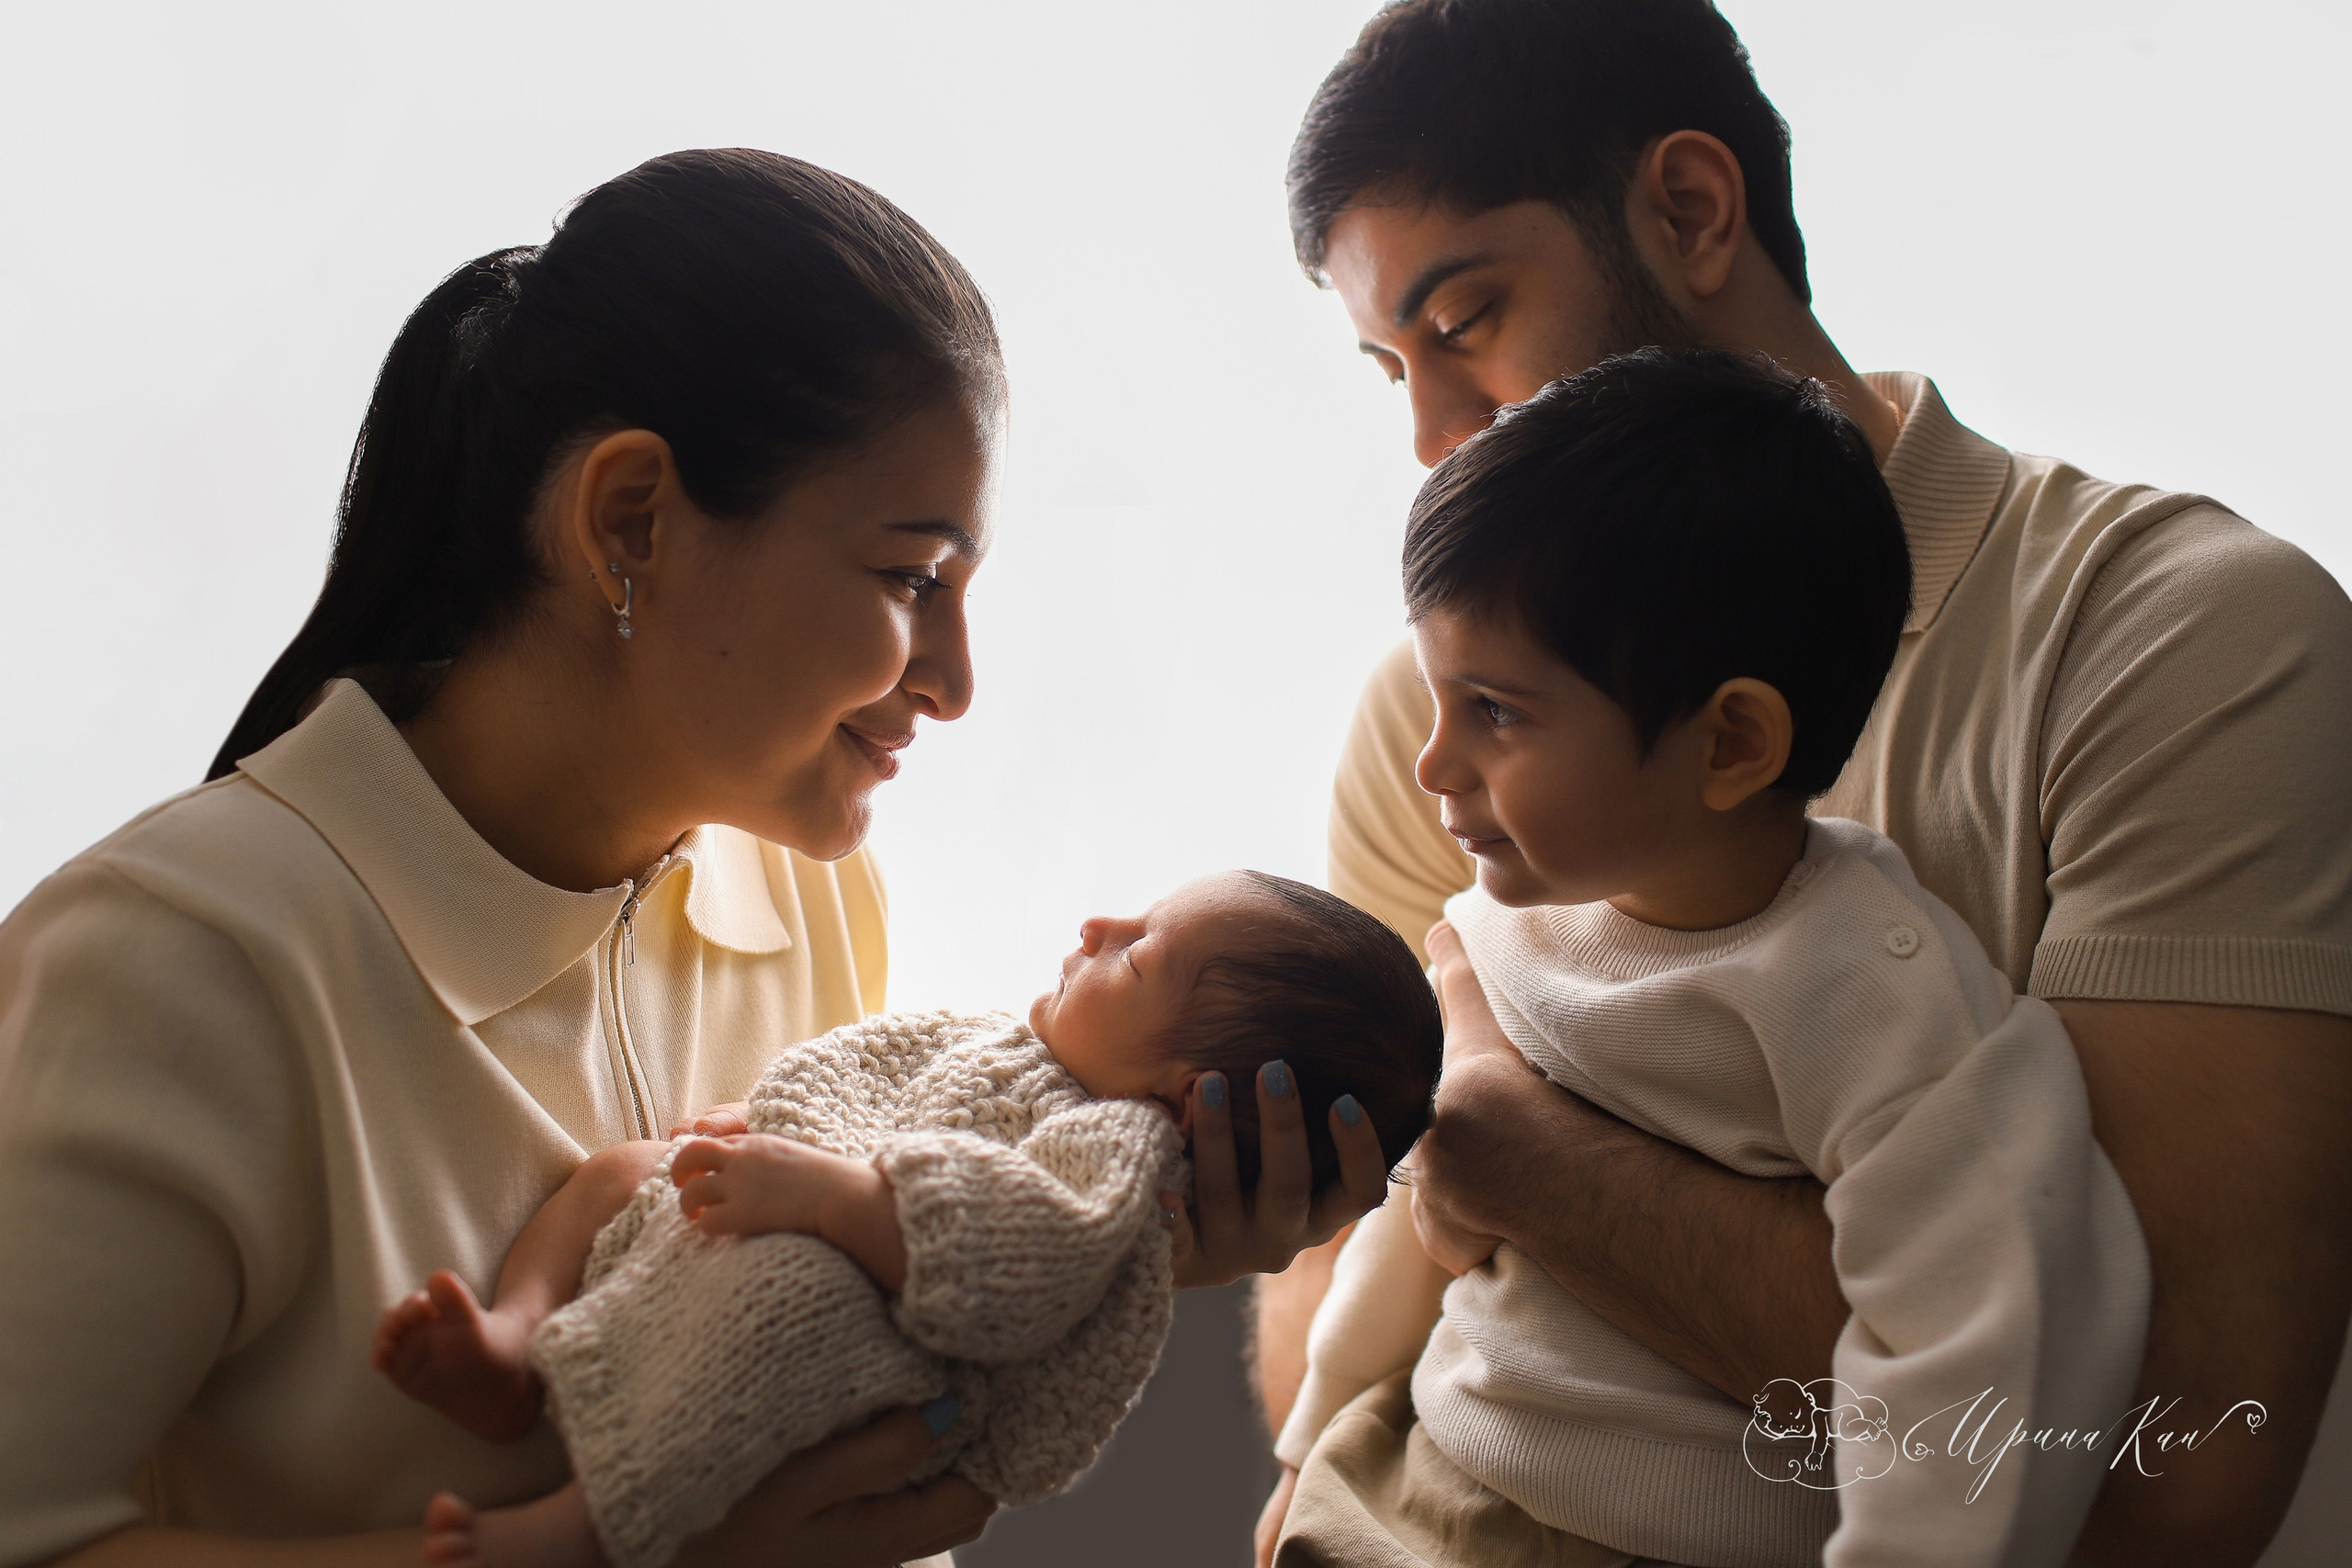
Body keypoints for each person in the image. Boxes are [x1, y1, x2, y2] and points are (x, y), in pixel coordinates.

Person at [0, 147, 1374, 1568]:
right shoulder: (175, 961)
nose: (956, 680)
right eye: (913, 577)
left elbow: (825, 1363)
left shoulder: (805, 891)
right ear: (631, 518)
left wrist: (1123, 1246)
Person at [1255, 4, 2352, 1565]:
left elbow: (2158, 1458)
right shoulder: (1440, 720)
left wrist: (1497, 1126)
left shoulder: (2180, 641)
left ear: (1692, 211)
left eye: (1467, 321)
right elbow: (1323, 1343)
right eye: (1389, 368)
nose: (1435, 438)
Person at [1273, 349, 2151, 1566]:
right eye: (1437, 700)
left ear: (1731, 741)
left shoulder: (1878, 991)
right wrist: (1310, 1444)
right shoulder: (1494, 927)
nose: (1432, 763)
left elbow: (1987, 1356)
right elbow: (1415, 1227)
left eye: (1497, 711)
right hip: (1412, 1481)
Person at [375, 870, 1441, 1568]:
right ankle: (518, 1342)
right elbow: (885, 1080)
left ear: (1177, 1098)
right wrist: (780, 1118)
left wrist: (826, 1193)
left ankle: (565, 1538)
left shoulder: (1118, 1152)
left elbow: (1016, 1253)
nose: (1098, 925)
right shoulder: (1020, 1047)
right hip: (789, 1224)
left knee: (792, 1307)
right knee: (619, 1171)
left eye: (1140, 957)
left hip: (892, 1341)